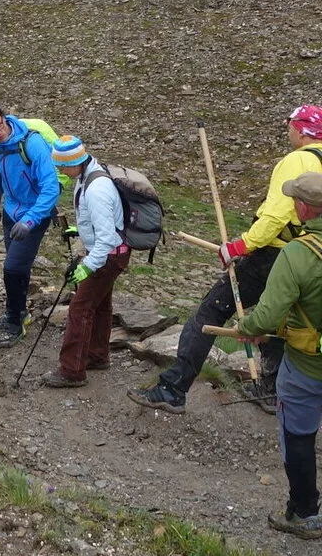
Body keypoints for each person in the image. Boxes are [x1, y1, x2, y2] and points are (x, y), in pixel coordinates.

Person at [129, 104, 322, 415]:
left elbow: (276, 214)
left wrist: (239, 246)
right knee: (287, 318)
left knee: (210, 312)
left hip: (275, 254)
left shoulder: (298, 160)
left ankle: (173, 389)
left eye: (290, 125)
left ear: (301, 130)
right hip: (312, 252)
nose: (287, 130)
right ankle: (272, 390)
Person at [234, 171, 322, 539]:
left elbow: (267, 316)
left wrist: (247, 328)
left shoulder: (297, 255)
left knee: (298, 435)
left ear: (303, 208)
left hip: (307, 366)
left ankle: (303, 513)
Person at [40, 136, 129, 388]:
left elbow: (107, 238)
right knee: (100, 305)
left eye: (62, 166)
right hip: (113, 253)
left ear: (76, 161)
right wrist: (79, 231)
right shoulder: (87, 176)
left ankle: (71, 371)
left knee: (80, 309)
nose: (60, 170)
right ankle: (97, 355)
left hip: (107, 256)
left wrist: (87, 267)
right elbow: (102, 225)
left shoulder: (97, 189)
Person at [0, 104, 61, 348]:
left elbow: (51, 186)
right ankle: (18, 312)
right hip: (12, 211)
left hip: (35, 213)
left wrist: (31, 219)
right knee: (17, 267)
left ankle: (15, 324)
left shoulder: (32, 143)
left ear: (4, 118)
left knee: (12, 268)